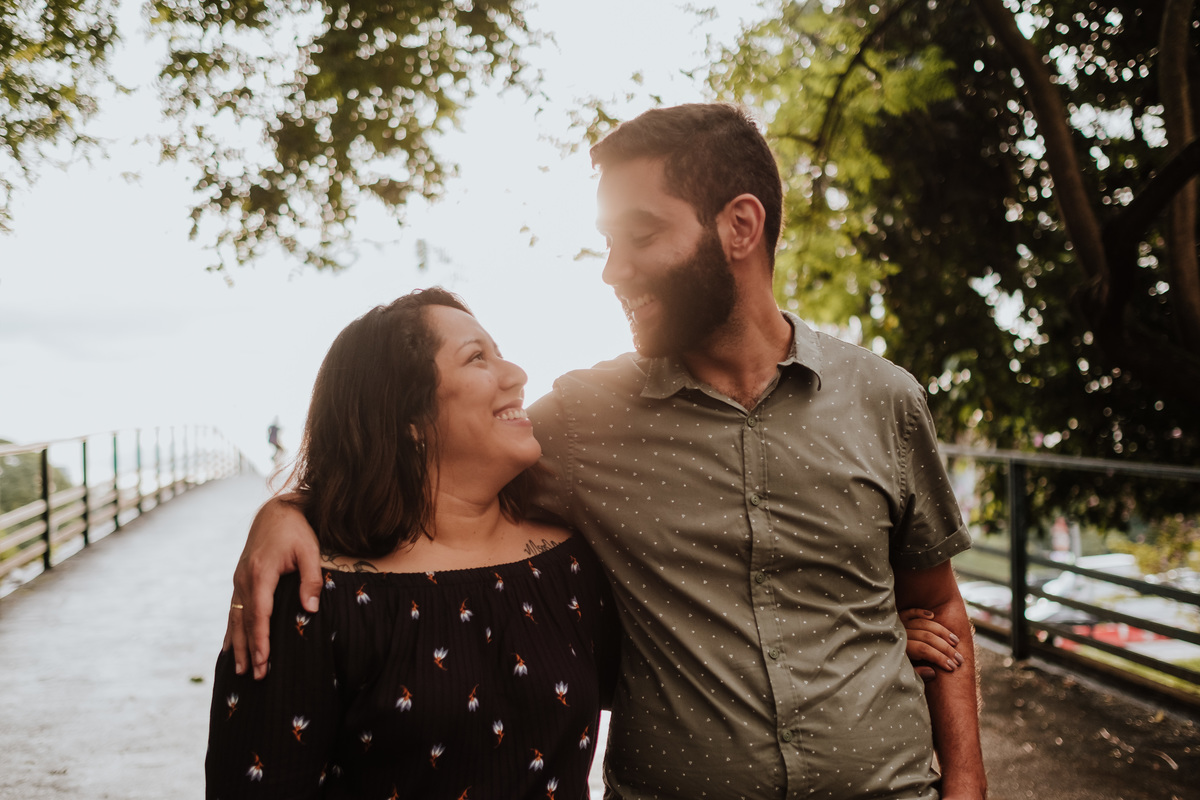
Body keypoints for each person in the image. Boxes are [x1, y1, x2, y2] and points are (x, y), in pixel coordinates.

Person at [227, 104, 986, 799]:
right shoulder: (581, 421)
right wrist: (288, 509)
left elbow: (938, 604)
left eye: (642, 236)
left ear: (741, 227)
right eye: (609, 243)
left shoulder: (885, 400)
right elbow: (429, 464)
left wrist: (967, 789)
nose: (613, 270)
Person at [207, 289, 620, 798]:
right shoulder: (314, 594)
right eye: (477, 358)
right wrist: (284, 508)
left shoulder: (567, 563)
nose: (515, 375)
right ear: (408, 418)